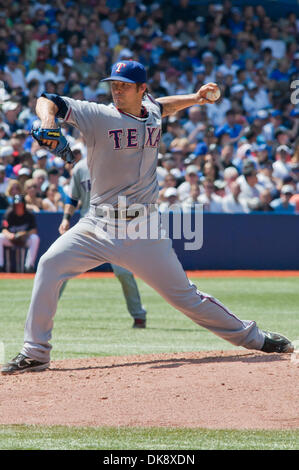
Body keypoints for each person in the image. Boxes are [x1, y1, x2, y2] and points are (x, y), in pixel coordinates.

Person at [1, 60, 293, 375]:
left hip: (144, 230)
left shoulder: (150, 111)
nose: (116, 89)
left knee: (186, 298)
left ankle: (256, 338)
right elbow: (49, 100)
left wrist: (195, 98)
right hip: (97, 225)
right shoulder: (98, 115)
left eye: (124, 85)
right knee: (49, 264)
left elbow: (161, 107)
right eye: (113, 83)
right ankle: (36, 352)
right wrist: (47, 121)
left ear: (142, 89)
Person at [58, 158, 147, 327]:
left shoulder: (117, 164)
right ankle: (45, 315)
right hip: (87, 225)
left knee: (123, 273)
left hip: (113, 226)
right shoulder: (80, 168)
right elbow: (72, 199)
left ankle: (139, 315)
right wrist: (65, 219)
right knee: (62, 266)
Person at [0, 194, 40, 273]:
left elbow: (34, 230)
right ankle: (0, 265)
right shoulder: (9, 213)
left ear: (24, 205)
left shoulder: (29, 214)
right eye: (17, 205)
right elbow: (3, 229)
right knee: (0, 237)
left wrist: (25, 234)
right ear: (14, 205)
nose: (18, 206)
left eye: (20, 205)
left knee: (35, 238)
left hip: (24, 240)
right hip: (11, 239)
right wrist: (10, 235)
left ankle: (29, 267)